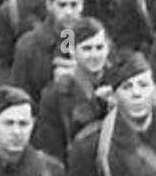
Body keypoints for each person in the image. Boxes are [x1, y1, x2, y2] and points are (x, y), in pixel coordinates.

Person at [33, 17, 112, 163]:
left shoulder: (120, 84)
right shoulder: (55, 95)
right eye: (87, 49)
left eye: (99, 48)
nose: (95, 55)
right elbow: (52, 150)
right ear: (72, 51)